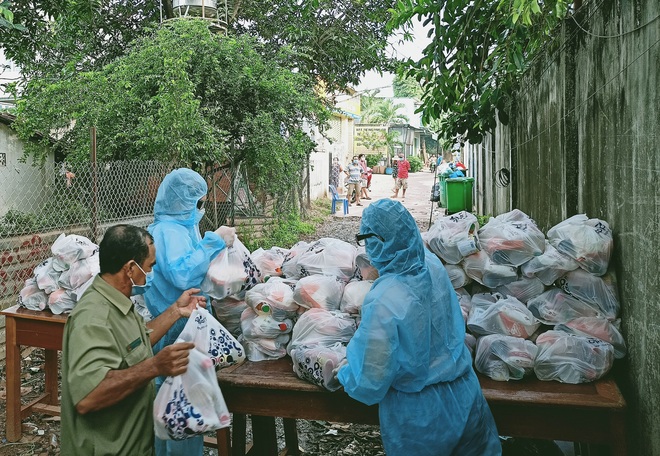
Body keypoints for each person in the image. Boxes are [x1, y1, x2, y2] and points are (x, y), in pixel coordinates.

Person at [335, 199, 501, 456]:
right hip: (465, 396)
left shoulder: (384, 299)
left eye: (365, 239)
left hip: (421, 416)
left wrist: (343, 373)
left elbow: (370, 380)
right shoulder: (432, 265)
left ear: (377, 242)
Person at [61, 224, 205, 455]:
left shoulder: (117, 302)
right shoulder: (93, 318)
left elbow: (136, 343)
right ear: (130, 268)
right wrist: (155, 366)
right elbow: (88, 397)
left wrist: (175, 311)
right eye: (150, 266)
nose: (152, 274)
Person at [144, 168, 236, 456]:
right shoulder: (167, 232)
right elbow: (183, 273)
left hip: (183, 323)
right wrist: (215, 241)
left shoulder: (181, 226)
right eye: (198, 202)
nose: (201, 209)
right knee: (181, 406)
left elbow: (195, 266)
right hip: (175, 325)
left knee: (174, 401)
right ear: (183, 202)